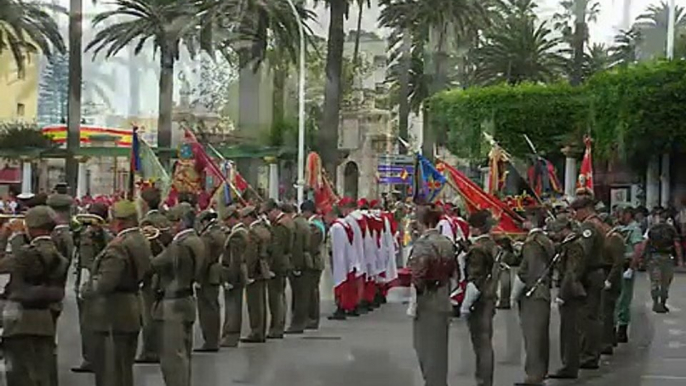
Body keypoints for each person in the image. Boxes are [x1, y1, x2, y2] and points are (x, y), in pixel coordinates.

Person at [81, 200, 151, 386]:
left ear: (119, 222)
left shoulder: (118, 247)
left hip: (113, 314)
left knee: (110, 372)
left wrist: (86, 288)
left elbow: (105, 283)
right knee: (124, 369)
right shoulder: (140, 240)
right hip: (132, 308)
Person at [0, 206, 69, 386]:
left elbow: (3, 265)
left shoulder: (25, 253)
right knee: (43, 370)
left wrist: (6, 237)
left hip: (20, 320)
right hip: (46, 317)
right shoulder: (60, 253)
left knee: (20, 373)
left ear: (33, 228)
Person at [152, 203, 205, 386]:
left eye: (173, 222)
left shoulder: (179, 245)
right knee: (184, 355)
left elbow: (156, 264)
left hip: (173, 303)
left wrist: (156, 245)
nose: (170, 226)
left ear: (182, 222)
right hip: (187, 299)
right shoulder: (196, 240)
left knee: (172, 358)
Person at [408, 204, 455, 386]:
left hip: (428, 298)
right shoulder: (447, 242)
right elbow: (454, 272)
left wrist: (414, 302)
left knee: (424, 346)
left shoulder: (423, 244)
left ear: (423, 223)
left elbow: (418, 275)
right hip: (444, 295)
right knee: (440, 348)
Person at [511, 208, 555, 386]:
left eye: (525, 219)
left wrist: (514, 294)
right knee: (541, 335)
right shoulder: (545, 240)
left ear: (532, 220)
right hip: (543, 291)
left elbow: (527, 270)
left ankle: (533, 376)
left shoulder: (533, 243)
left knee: (533, 336)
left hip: (533, 292)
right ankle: (540, 373)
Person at [72, 202, 113, 373]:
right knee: (87, 324)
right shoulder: (82, 233)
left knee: (94, 324)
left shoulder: (105, 235)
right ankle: (91, 357)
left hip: (94, 279)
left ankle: (95, 359)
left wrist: (98, 233)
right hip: (85, 279)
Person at [461, 210, 499, 386]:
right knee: (486, 341)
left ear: (475, 228)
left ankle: (483, 381)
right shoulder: (492, 244)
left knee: (481, 343)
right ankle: (486, 379)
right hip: (490, 295)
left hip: (480, 300)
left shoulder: (478, 249)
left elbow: (475, 279)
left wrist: (465, 305)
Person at [548, 214, 587, 380]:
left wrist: (563, 294)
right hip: (570, 291)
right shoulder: (569, 244)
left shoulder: (575, 246)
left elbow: (572, 272)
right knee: (567, 329)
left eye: (558, 230)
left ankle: (569, 366)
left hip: (572, 293)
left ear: (565, 229)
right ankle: (568, 364)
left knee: (570, 331)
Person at [136, 187, 173, 364]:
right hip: (166, 271)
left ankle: (150, 350)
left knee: (149, 314)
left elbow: (146, 249)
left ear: (144, 202)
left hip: (152, 273)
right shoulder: (165, 219)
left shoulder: (147, 223)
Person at [570, 196, 605, 370]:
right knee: (593, 315)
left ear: (585, 209)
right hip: (597, 272)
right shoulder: (598, 223)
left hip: (590, 274)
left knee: (587, 317)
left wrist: (575, 277)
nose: (574, 215)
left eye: (575, 210)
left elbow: (583, 253)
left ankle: (589, 355)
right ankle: (591, 353)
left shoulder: (589, 226)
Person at [634, 208, 683, 313]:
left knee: (655, 281)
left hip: (654, 257)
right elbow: (677, 244)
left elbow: (645, 243)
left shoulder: (652, 229)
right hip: (667, 257)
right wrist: (680, 260)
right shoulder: (671, 229)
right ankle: (663, 303)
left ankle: (656, 302)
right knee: (666, 282)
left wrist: (641, 258)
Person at [240, 205, 272, 343]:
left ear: (249, 217)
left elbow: (251, 254)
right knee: (261, 302)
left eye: (244, 218)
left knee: (254, 304)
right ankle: (261, 330)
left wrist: (249, 273)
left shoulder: (253, 232)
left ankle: (256, 331)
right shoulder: (264, 229)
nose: (242, 221)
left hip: (256, 270)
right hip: (264, 267)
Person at [263, 199, 294, 339]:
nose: (267, 216)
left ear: (274, 210)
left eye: (267, 212)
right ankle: (278, 325)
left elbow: (278, 248)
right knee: (280, 295)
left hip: (278, 264)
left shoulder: (280, 226)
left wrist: (271, 266)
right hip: (285, 262)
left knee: (275, 297)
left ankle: (277, 327)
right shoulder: (287, 221)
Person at [195, 210, 224, 352]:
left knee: (206, 309)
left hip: (207, 275)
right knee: (213, 307)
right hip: (215, 273)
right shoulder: (219, 232)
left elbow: (204, 258)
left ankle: (210, 341)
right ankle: (214, 340)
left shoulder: (208, 236)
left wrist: (197, 277)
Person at [220, 205, 249, 347]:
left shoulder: (237, 235)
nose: (225, 223)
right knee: (232, 304)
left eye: (227, 220)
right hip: (237, 274)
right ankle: (228, 333)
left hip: (235, 276)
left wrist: (230, 278)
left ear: (234, 219)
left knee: (233, 306)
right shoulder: (238, 232)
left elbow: (235, 259)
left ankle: (231, 336)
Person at [615, 207, 644, 343]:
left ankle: (622, 329)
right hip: (618, 265)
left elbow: (638, 248)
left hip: (626, 265)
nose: (619, 217)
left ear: (628, 215)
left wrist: (632, 267)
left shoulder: (634, 229)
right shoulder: (620, 228)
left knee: (624, 299)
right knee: (617, 297)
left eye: (621, 214)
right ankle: (615, 327)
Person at [599, 216, 625, 355]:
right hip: (606, 274)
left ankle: (606, 342)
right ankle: (609, 338)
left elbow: (618, 262)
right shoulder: (607, 238)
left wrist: (610, 279)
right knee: (605, 311)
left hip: (611, 277)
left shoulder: (615, 239)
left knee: (606, 312)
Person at [328, 198, 358, 320]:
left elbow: (338, 248)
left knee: (341, 282)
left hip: (340, 259)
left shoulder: (337, 227)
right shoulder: (344, 224)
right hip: (348, 257)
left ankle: (341, 306)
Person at [286, 203, 312, 334]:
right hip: (306, 261)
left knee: (299, 295)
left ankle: (297, 324)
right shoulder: (303, 222)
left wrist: (295, 265)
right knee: (303, 294)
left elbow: (296, 247)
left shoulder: (295, 224)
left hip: (300, 262)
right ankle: (301, 322)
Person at [301, 200, 325, 330]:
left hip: (315, 262)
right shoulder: (316, 223)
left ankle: (312, 318)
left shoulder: (315, 225)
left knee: (312, 292)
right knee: (311, 291)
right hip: (315, 261)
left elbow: (312, 245)